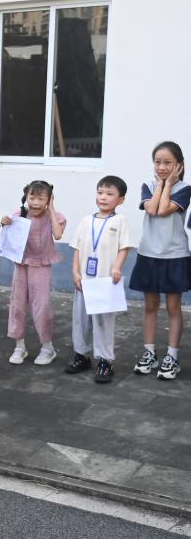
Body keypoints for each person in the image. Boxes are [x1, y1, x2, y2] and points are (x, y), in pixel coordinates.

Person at [130, 141, 191, 380]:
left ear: (179, 165)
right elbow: (152, 208)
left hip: (174, 255)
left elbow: (164, 209)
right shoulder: (148, 185)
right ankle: (149, 353)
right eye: (158, 162)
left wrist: (167, 184)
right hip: (148, 254)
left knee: (173, 307)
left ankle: (172, 356)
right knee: (150, 306)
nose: (162, 167)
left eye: (168, 162)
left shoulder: (186, 188)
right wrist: (162, 184)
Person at [65, 176, 135, 383]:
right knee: (80, 320)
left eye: (110, 194)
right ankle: (81, 355)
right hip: (84, 281)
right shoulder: (87, 220)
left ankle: (105, 360)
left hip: (105, 282)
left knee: (104, 322)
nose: (103, 197)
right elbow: (77, 248)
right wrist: (75, 272)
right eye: (100, 192)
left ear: (120, 200)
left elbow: (124, 247)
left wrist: (116, 268)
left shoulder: (119, 221)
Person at [0, 181, 66, 366]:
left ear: (48, 200)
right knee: (17, 305)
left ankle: (47, 347)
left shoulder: (54, 216)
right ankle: (19, 346)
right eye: (32, 197)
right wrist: (4, 222)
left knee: (42, 306)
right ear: (26, 197)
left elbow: (59, 235)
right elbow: (9, 233)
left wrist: (51, 210)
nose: (36, 202)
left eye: (41, 198)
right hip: (21, 265)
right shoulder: (19, 215)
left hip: (41, 266)